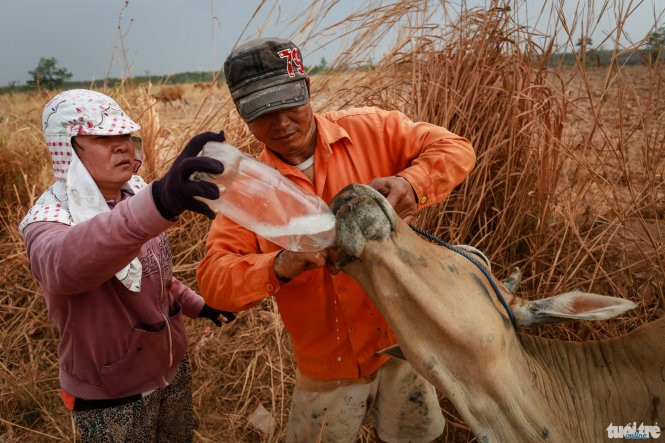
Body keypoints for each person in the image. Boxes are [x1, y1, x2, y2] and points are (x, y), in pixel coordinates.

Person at [197, 38, 476, 443]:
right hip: (327, 365)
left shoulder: (371, 130)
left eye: (287, 102)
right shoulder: (246, 190)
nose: (280, 123)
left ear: (306, 89)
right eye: (262, 112)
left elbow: (455, 148)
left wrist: (411, 184)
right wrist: (279, 265)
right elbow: (214, 282)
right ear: (242, 114)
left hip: (403, 343)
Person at [19, 89, 235, 443]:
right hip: (112, 396)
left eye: (123, 134)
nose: (122, 145)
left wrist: (199, 306)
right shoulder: (48, 221)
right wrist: (158, 203)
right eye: (103, 138)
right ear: (67, 149)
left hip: (170, 369)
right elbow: (64, 268)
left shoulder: (134, 193)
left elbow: (156, 275)